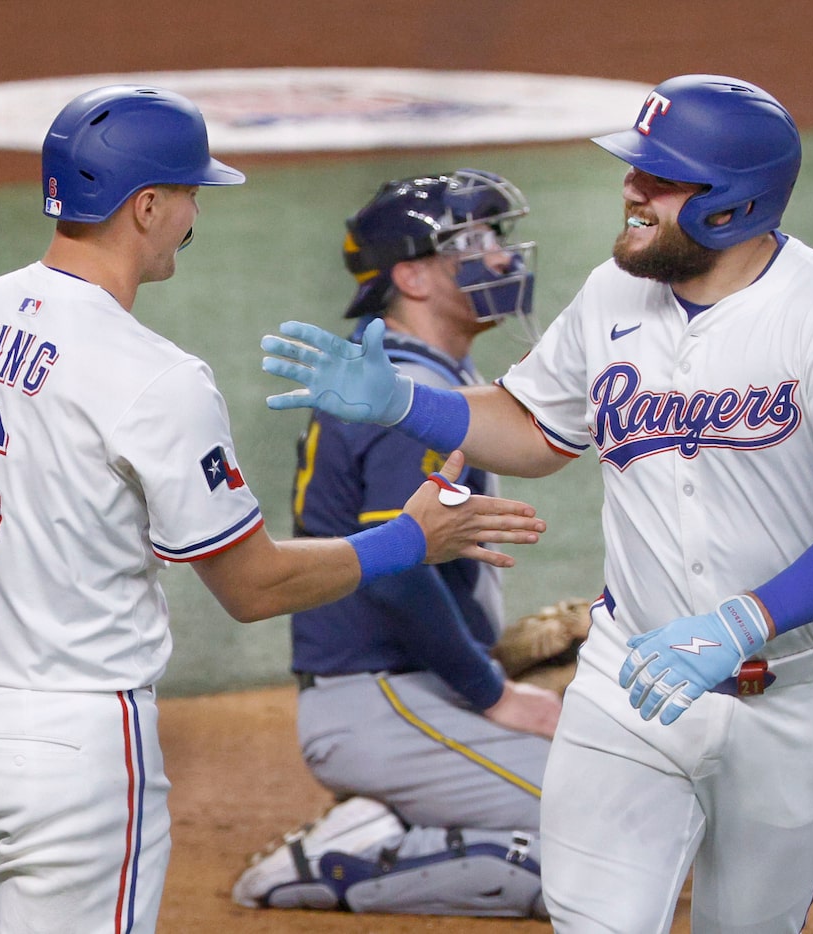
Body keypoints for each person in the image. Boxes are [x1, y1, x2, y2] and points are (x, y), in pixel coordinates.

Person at [261, 73, 813, 932]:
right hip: (629, 680)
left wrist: (743, 622)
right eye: (634, 171)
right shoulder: (612, 295)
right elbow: (534, 429)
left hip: (801, 694)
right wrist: (407, 402)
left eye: (658, 179)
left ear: (729, 204)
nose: (631, 188)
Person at [0, 85, 545, 934]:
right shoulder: (151, 376)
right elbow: (253, 586)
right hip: (70, 747)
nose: (197, 211)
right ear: (149, 205)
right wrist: (406, 543)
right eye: (192, 192)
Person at [229, 168, 559, 919]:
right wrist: (494, 691)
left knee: (645, 809)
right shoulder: (402, 389)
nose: (502, 258)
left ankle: (401, 821)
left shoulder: (426, 377)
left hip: (407, 691)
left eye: (496, 239)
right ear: (410, 275)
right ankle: (343, 859)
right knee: (621, 837)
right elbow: (394, 570)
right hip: (378, 699)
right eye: (472, 242)